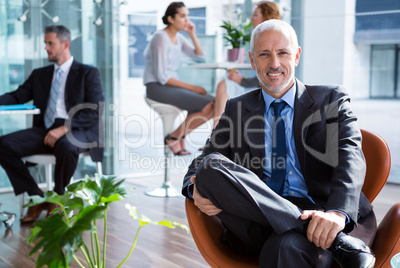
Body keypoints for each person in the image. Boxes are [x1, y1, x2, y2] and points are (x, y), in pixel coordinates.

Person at [182, 19, 376, 268]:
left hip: (324, 211)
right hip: (259, 216)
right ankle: (337, 242)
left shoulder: (330, 99)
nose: (274, 64)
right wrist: (194, 189)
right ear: (253, 61)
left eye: (282, 53)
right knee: (209, 167)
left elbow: (351, 156)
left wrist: (338, 214)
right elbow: (197, 168)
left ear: (296, 56)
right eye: (264, 54)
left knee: (284, 249)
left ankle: (326, 232)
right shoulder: (236, 108)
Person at [0, 25, 104, 223]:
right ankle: (37, 197)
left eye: (50, 43)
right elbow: (17, 95)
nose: (46, 48)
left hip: (79, 128)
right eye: (45, 43)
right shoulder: (40, 74)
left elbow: (95, 110)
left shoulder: (87, 73)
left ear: (66, 44)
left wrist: (65, 127)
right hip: (46, 128)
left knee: (66, 145)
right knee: (4, 145)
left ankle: (58, 197)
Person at [143, 1, 214, 156]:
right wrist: (193, 87)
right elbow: (162, 77)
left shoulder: (179, 38)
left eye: (187, 16)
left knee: (215, 104)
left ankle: (175, 136)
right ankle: (175, 138)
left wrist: (192, 33)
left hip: (170, 87)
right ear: (170, 19)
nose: (186, 21)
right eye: (182, 16)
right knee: (209, 103)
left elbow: (201, 57)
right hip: (157, 87)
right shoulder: (160, 37)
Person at [212, 1, 281, 129]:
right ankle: (217, 131)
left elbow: (269, 75)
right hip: (261, 87)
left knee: (224, 85)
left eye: (255, 15)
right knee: (225, 83)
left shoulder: (270, 40)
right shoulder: (262, 38)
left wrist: (242, 80)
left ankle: (216, 132)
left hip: (265, 90)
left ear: (266, 17)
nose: (251, 19)